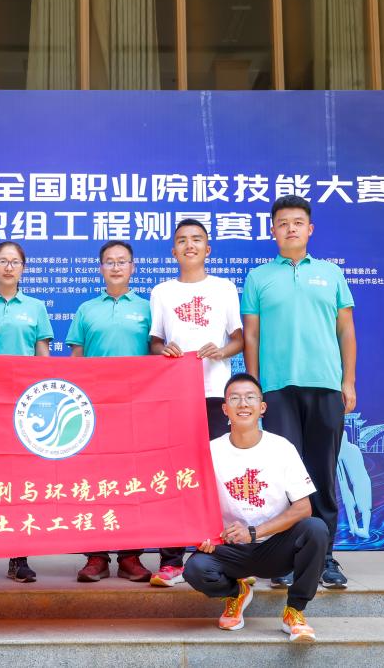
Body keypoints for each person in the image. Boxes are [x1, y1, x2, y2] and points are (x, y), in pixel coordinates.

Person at [241, 194, 357, 589]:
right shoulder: (258, 277)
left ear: (310, 229)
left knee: (322, 473)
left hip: (325, 386)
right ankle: (285, 559)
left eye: (297, 222)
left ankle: (325, 558)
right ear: (272, 231)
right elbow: (251, 336)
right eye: (283, 223)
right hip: (277, 389)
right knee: (285, 478)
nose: (290, 228)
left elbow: (346, 330)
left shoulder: (331, 273)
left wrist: (348, 381)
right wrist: (254, 387)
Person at [184, 373, 327, 643]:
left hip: (275, 546)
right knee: (195, 569)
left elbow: (303, 508)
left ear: (262, 407)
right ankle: (236, 593)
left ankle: (294, 611)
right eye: (235, 398)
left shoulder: (281, 448)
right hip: (231, 548)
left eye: (250, 397)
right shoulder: (210, 452)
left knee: (315, 529)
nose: (243, 404)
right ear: (224, 409)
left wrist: (254, 532)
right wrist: (203, 535)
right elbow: (194, 504)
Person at [148, 218, 244, 587]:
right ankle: (171, 560)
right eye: (182, 241)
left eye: (197, 240)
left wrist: (221, 351)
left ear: (208, 249)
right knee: (174, 473)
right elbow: (155, 341)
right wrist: (164, 349)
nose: (190, 245)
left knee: (215, 472)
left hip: (215, 392)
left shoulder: (224, 288)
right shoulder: (162, 291)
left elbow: (238, 338)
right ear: (173, 251)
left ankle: (221, 555)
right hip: (175, 394)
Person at [66, 240, 154, 583]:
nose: (116, 267)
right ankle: (96, 556)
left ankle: (131, 556)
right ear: (101, 268)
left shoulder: (148, 308)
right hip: (94, 409)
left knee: (133, 481)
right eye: (109, 262)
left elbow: (159, 355)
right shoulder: (87, 309)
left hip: (136, 408)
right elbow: (76, 360)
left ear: (133, 267)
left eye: (122, 261)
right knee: (94, 480)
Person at [0, 241, 54, 583]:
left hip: (23, 405)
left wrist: (45, 399)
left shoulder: (35, 307)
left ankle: (19, 557)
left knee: (21, 480)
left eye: (15, 262)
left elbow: (43, 356)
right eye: (2, 261)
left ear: (23, 267)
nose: (8, 267)